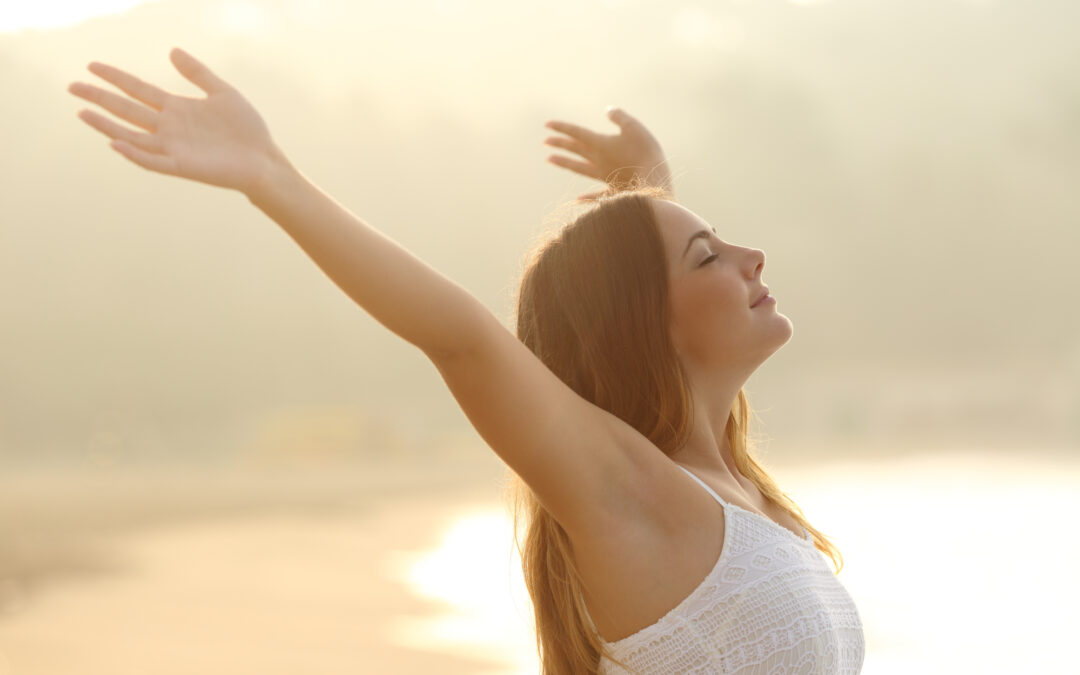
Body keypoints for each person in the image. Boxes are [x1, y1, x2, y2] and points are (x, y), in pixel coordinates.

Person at [68, 48, 865, 674]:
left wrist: (647, 188)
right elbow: (463, 339)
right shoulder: (629, 492)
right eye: (711, 255)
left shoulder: (726, 488)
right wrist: (274, 179)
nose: (752, 255)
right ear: (639, 322)